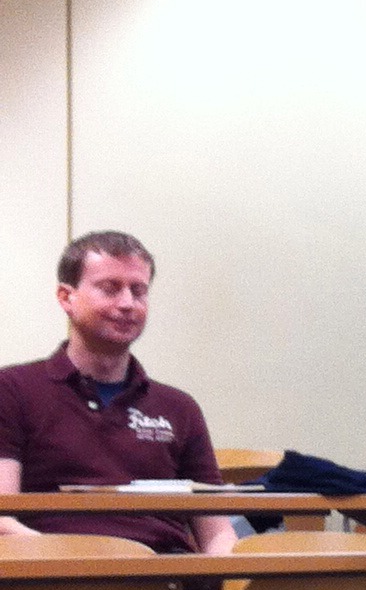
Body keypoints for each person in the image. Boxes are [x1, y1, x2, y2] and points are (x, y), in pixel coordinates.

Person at [0, 231, 234, 555]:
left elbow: (217, 535)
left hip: (166, 576)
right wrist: (88, 561)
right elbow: (2, 520)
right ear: (66, 297)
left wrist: (230, 577)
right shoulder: (11, 390)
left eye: (138, 291)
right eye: (110, 289)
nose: (127, 303)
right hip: (56, 575)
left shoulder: (180, 407)